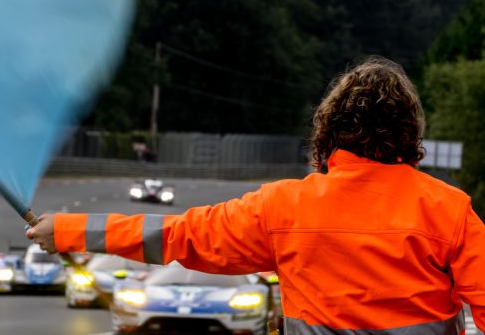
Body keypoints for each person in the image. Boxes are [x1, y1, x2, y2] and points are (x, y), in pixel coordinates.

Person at [26, 56, 485, 332]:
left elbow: (176, 236)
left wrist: (66, 229)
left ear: (327, 133)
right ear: (410, 135)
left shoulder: (283, 207)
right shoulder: (449, 211)